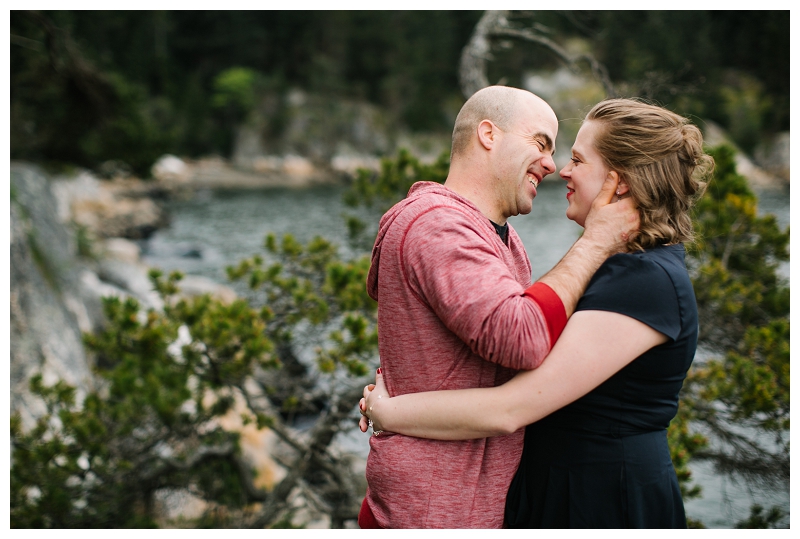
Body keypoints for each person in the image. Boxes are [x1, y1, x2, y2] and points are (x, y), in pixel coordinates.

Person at [360, 98, 713, 528]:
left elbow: (513, 400)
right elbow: (518, 337)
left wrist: (388, 412)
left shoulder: (644, 278)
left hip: (600, 500)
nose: (558, 167)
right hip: (490, 498)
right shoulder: (444, 225)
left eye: (576, 158)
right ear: (489, 135)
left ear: (618, 183)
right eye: (543, 144)